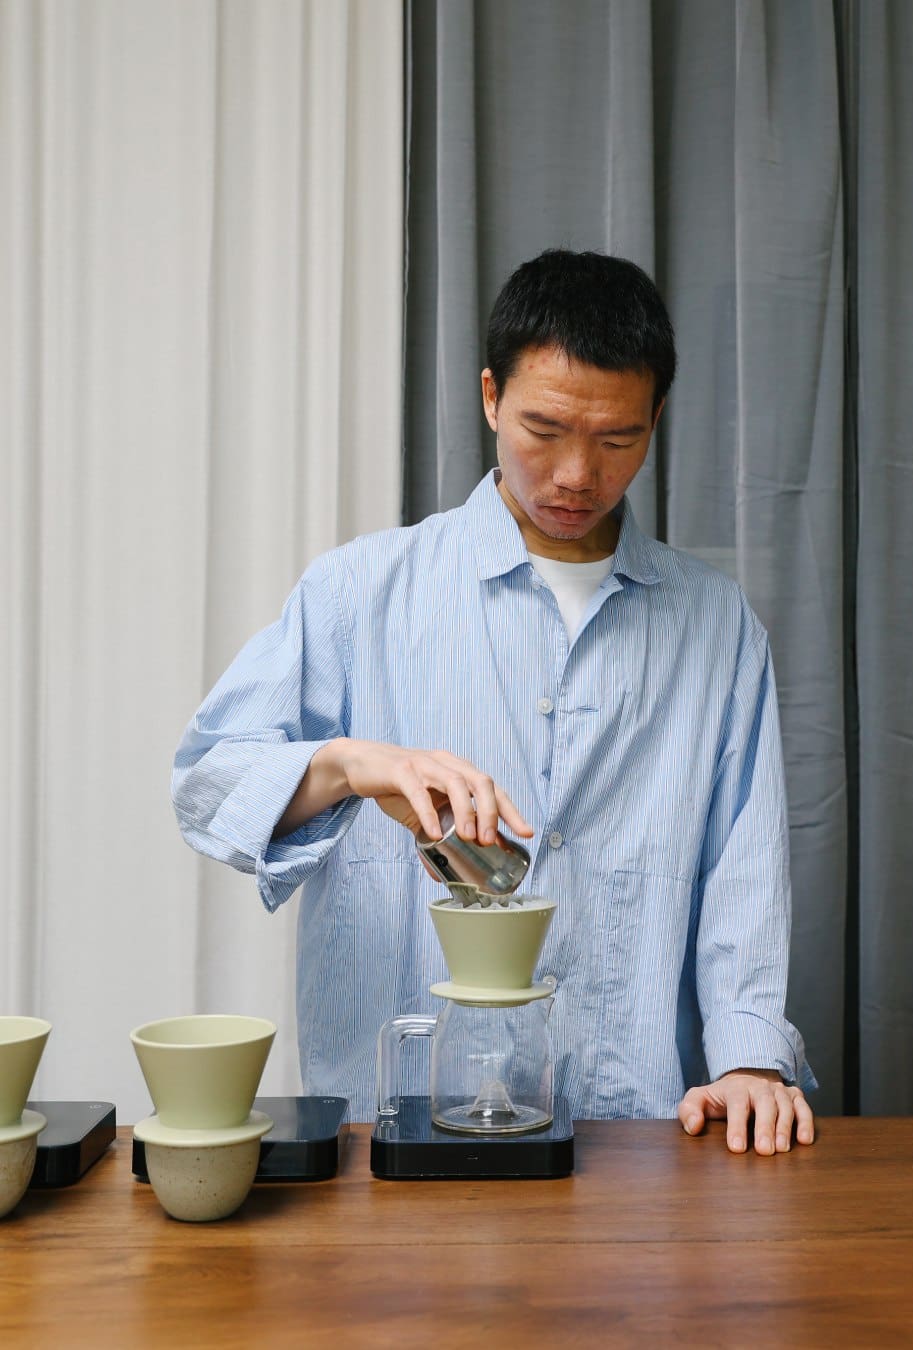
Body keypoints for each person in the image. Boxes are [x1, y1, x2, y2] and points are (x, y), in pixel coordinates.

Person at [173, 248, 816, 1154]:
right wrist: (349, 765)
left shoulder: (716, 624)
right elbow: (206, 784)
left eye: (618, 440)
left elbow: (743, 869)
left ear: (657, 419)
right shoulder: (361, 592)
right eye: (543, 430)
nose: (577, 475)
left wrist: (751, 1060)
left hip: (636, 1141)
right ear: (489, 397)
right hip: (392, 1134)